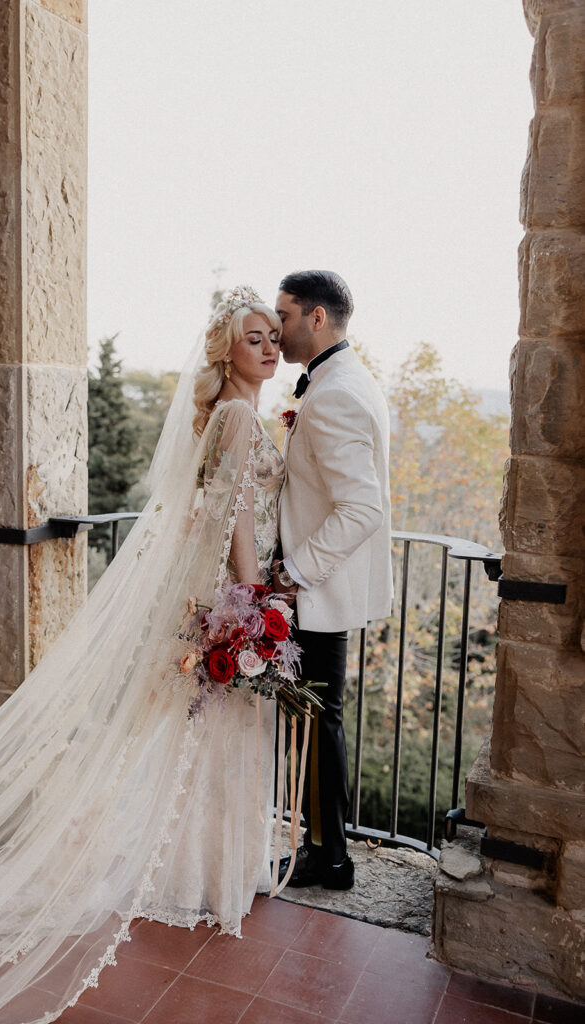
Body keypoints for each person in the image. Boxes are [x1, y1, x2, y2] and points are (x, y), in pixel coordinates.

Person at [0, 287, 286, 1024]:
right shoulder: (238, 416)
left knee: (196, 732)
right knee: (204, 731)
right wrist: (251, 600)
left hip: (213, 601)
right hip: (230, 600)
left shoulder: (238, 414)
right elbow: (233, 512)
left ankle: (198, 870)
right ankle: (201, 876)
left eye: (273, 336)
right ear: (225, 353)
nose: (269, 347)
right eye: (254, 338)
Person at [272, 270, 393, 890]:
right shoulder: (343, 380)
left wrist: (294, 572)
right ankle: (326, 850)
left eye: (286, 315)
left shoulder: (336, 393)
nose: (278, 327)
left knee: (320, 723)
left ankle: (330, 858)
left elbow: (362, 507)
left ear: (317, 318)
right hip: (323, 590)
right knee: (319, 723)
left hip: (320, 591)